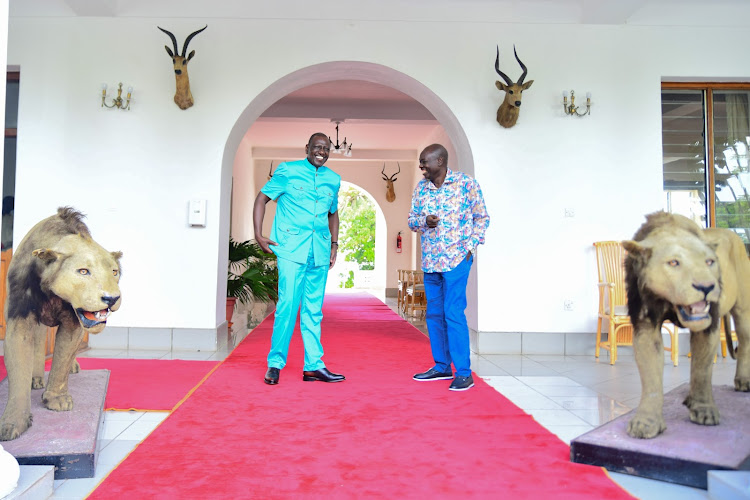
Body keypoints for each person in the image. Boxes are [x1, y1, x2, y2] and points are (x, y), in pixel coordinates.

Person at [253, 133, 345, 385]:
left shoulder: (333, 179)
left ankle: (313, 366)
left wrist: (334, 244)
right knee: (288, 306)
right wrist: (259, 235)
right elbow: (261, 199)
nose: (321, 152)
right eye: (317, 147)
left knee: (314, 311)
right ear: (307, 148)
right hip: (291, 249)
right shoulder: (287, 171)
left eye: (326, 149)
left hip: (320, 252)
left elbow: (332, 214)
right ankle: (275, 363)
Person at [408, 144, 490, 391]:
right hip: (431, 260)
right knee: (433, 314)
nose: (422, 166)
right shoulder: (421, 188)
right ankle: (442, 366)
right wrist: (424, 221)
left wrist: (470, 247)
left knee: (452, 312)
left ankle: (464, 372)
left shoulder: (466, 184)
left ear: (440, 160)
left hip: (456, 259)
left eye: (425, 162)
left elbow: (482, 218)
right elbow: (412, 221)